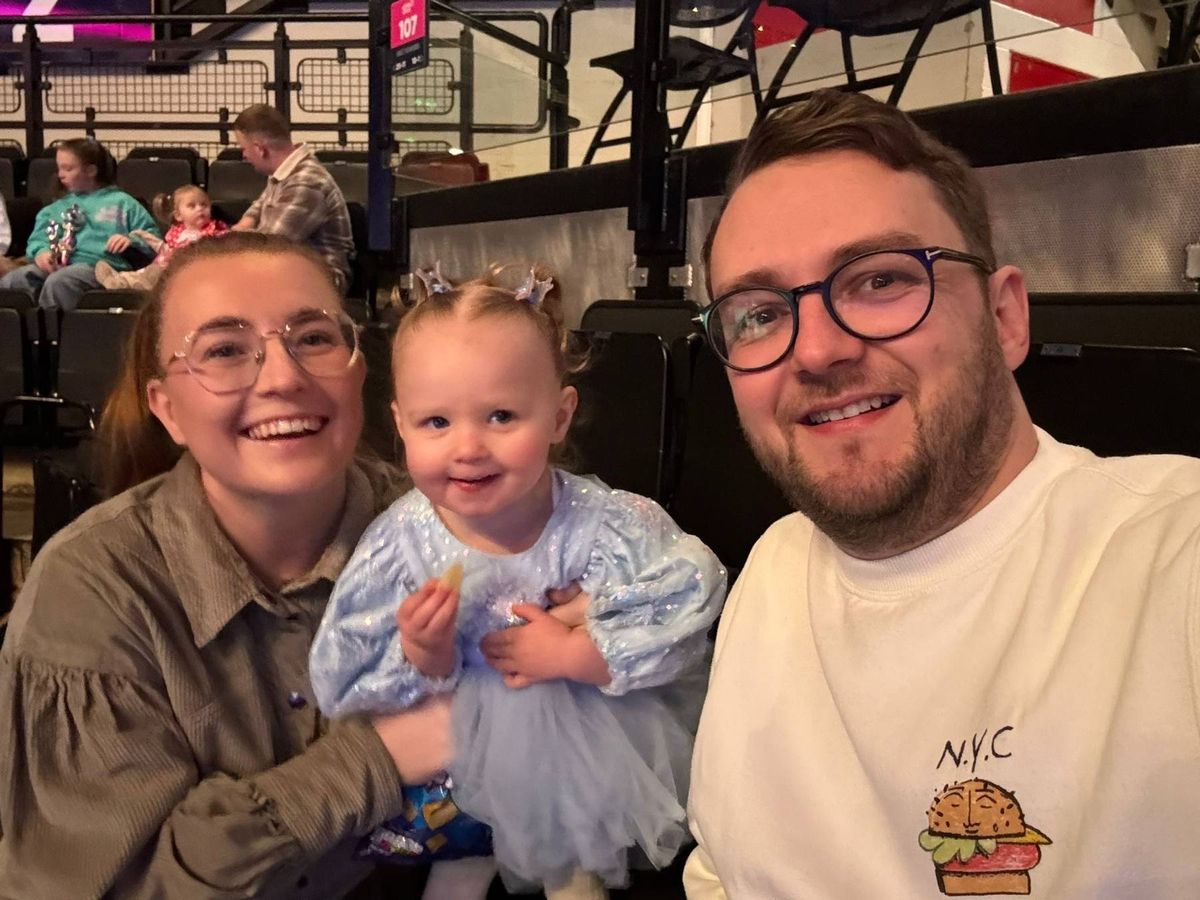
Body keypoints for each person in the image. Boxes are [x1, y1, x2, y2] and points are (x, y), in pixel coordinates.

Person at [684, 90, 1200, 897]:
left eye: (881, 279)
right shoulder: (772, 574)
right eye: (756, 315)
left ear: (1004, 318)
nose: (815, 350)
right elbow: (723, 870)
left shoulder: (1171, 560)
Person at [0, 232, 453, 898]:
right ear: (168, 409)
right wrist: (375, 758)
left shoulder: (457, 534)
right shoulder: (93, 594)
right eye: (223, 350)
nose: (283, 377)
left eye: (314, 338)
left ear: (358, 369)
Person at [309, 265, 726, 899]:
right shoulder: (403, 541)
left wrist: (580, 649)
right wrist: (426, 650)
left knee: (572, 864)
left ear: (559, 417)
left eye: (501, 416)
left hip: (578, 741)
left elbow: (685, 593)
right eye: (436, 423)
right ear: (399, 423)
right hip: (455, 743)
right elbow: (353, 664)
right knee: (459, 866)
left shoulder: (598, 522)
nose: (468, 447)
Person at [0, 138, 159, 309]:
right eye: (59, 168)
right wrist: (41, 253)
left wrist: (130, 240)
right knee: (14, 280)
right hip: (57, 265)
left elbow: (154, 240)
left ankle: (57, 333)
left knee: (61, 282)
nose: (61, 174)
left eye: (68, 168)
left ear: (91, 171)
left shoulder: (123, 203)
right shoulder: (54, 208)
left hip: (99, 267)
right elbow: (38, 239)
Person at [231, 104, 354, 294]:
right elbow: (258, 208)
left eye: (244, 148)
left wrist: (229, 243)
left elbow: (272, 246)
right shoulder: (284, 173)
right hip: (291, 267)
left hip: (321, 279)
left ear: (260, 149)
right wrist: (243, 226)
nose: (244, 154)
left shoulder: (307, 181)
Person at [96, 184, 229, 291]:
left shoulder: (215, 231)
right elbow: (165, 249)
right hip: (162, 266)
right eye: (192, 206)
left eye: (204, 205)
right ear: (178, 216)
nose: (200, 209)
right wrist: (144, 236)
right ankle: (117, 280)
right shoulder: (177, 233)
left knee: (156, 274)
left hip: (185, 271)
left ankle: (135, 284)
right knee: (144, 272)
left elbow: (223, 247)